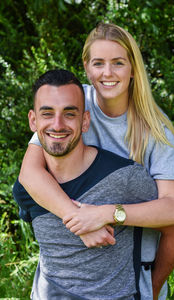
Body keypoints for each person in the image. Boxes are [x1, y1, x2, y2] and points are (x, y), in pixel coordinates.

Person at [18, 23, 174, 300]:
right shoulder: (71, 103)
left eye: (118, 63)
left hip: (132, 272)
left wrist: (105, 214)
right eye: (98, 63)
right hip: (66, 271)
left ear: (133, 68)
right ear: (86, 67)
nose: (107, 73)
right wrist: (79, 221)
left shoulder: (155, 130)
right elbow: (29, 173)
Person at [14, 69, 160, 300]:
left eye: (69, 114)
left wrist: (153, 289)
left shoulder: (126, 177)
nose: (58, 124)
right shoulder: (27, 187)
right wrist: (79, 222)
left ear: (85, 121)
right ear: (33, 120)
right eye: (47, 113)